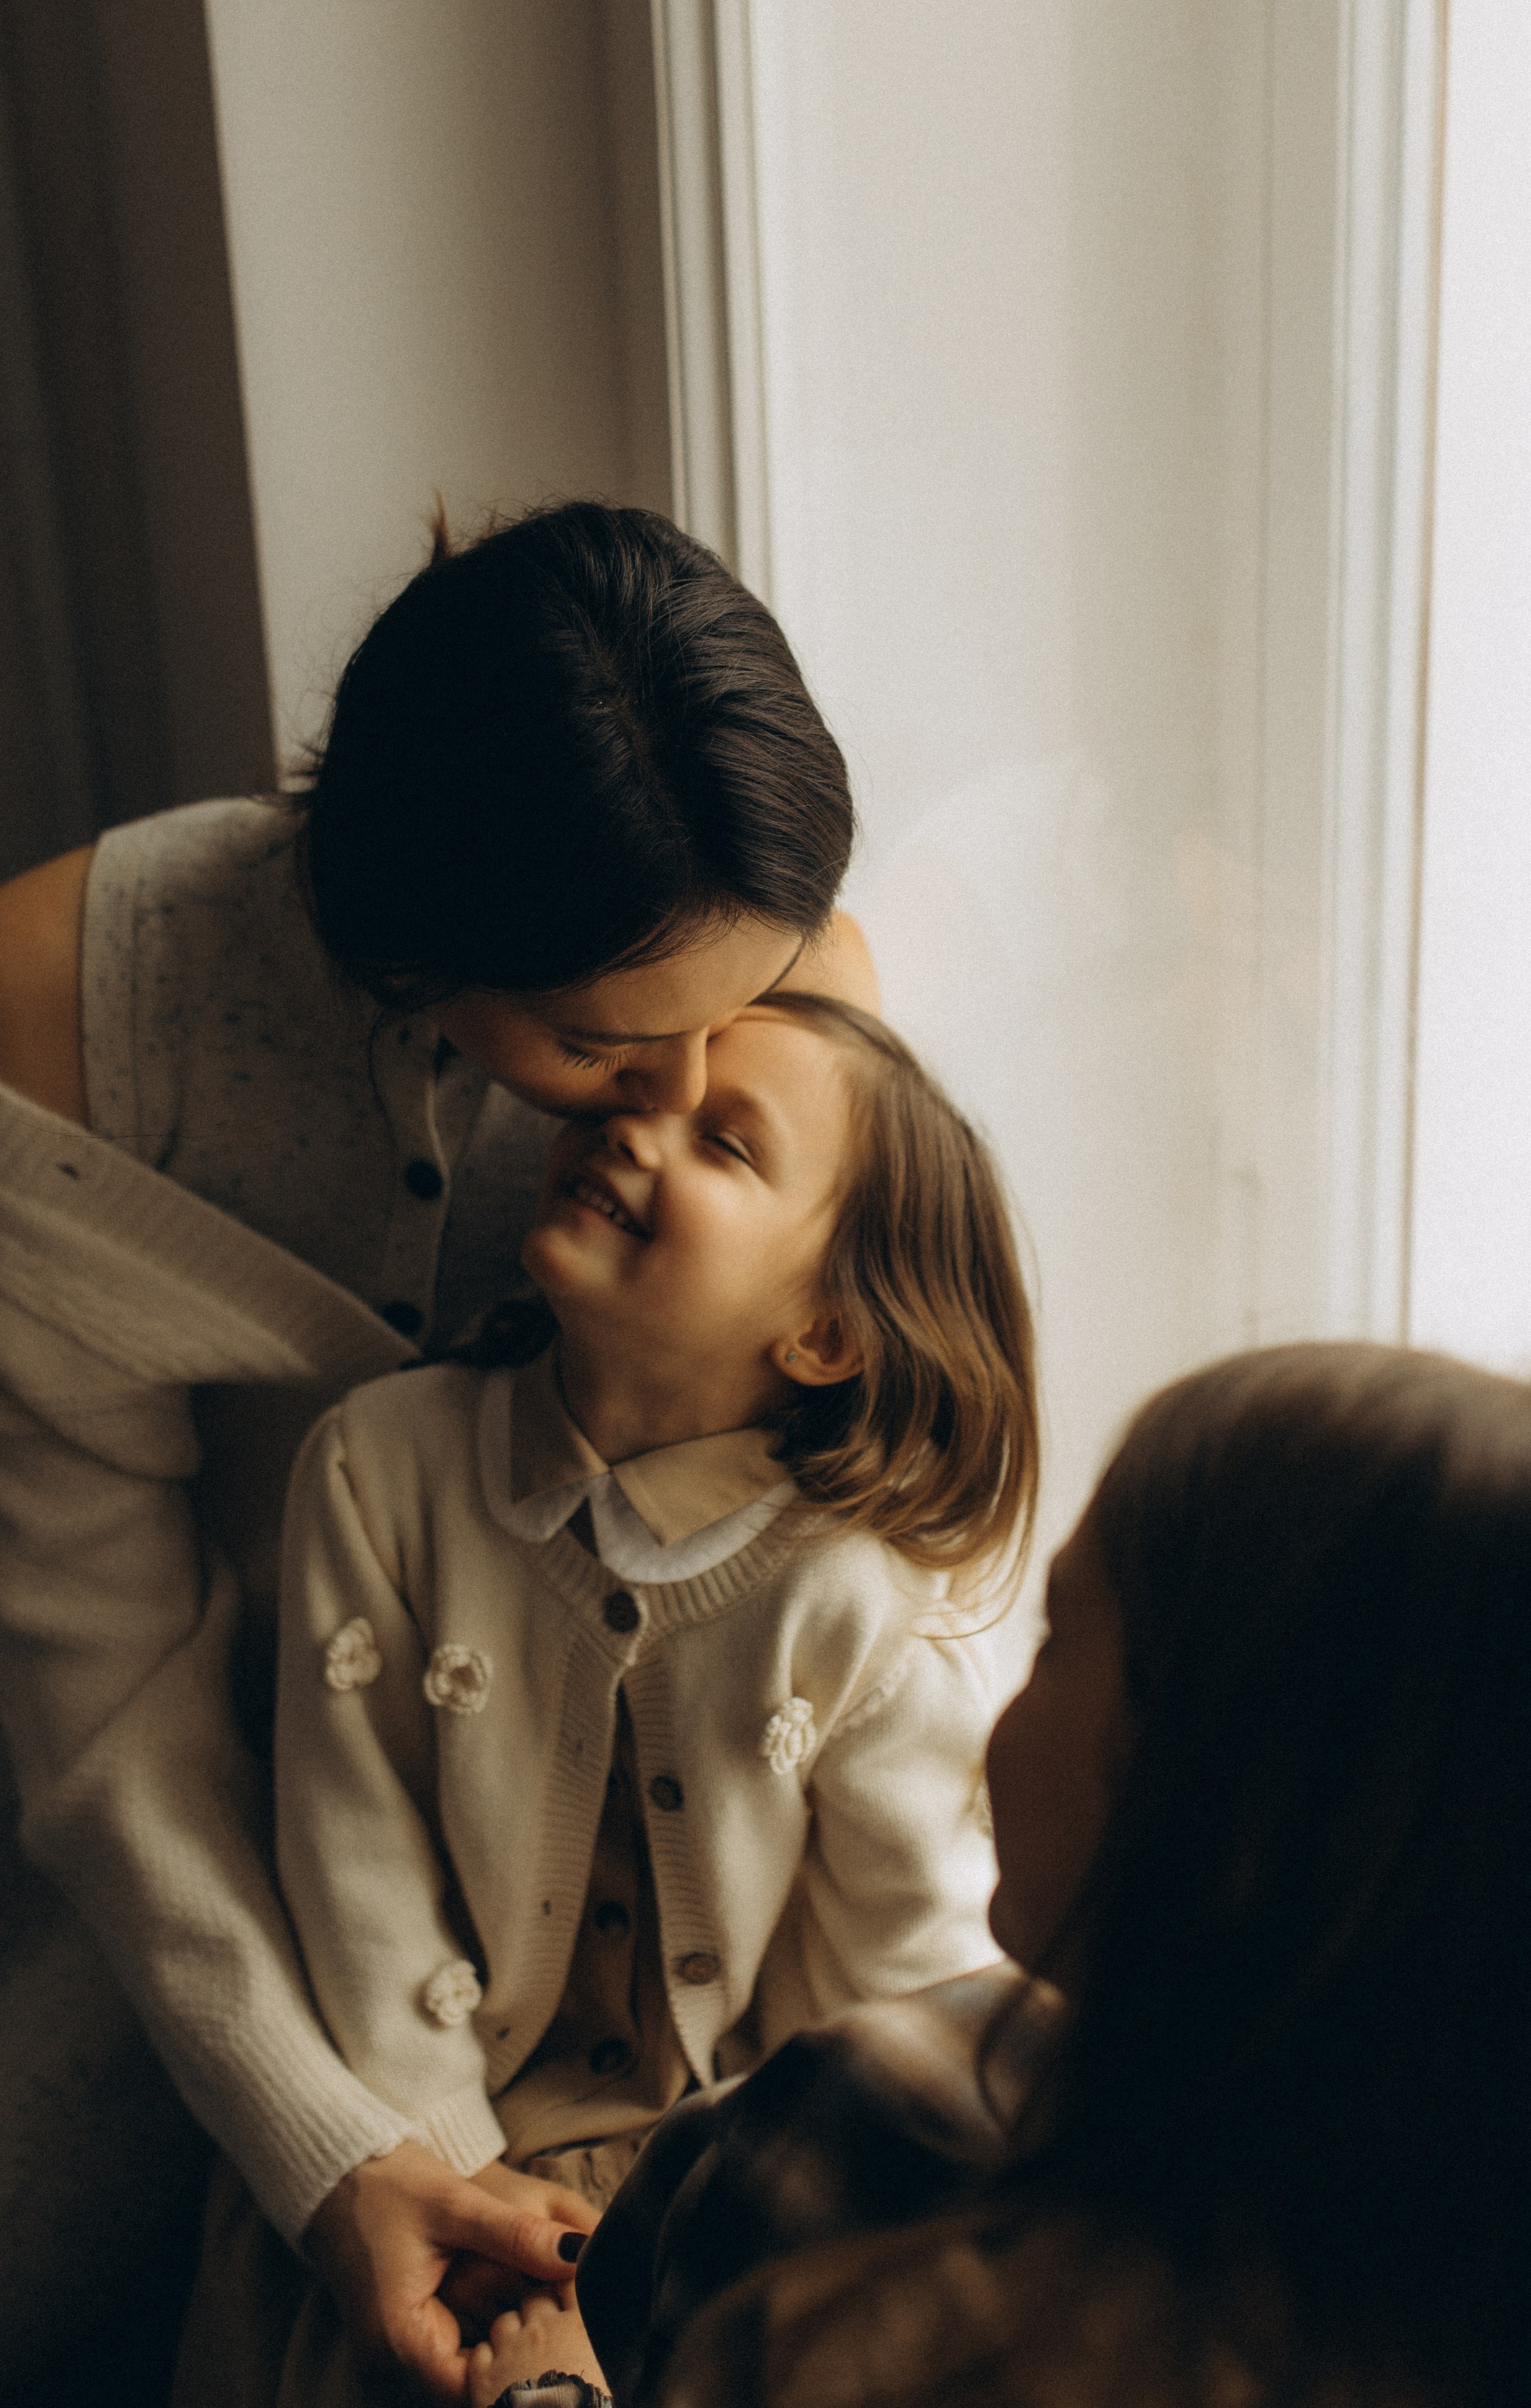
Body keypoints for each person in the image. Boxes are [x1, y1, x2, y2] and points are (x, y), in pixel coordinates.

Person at [0, 505, 881, 2408]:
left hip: (579, 1805)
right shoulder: (44, 1004)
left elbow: (811, 1480)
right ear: (424, 952)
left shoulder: (768, 959)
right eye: (622, 1048)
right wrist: (336, 2148)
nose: (694, 1085)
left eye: (736, 1029)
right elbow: (99, 1683)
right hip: (128, 1780)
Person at [171, 988, 1037, 2407]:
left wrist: (760, 2234)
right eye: (640, 1095)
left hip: (719, 2189)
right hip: (411, 2143)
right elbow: (352, 1862)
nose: (639, 1124)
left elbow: (893, 1981)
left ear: (821, 1336)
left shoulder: (857, 1604)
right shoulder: (378, 1470)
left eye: (724, 1143)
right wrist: (455, 2179)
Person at [574, 1343, 1531, 2408]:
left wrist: (547, 2390)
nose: (992, 1728)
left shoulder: (855, 2145)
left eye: (1056, 1634)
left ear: (1208, 1779)